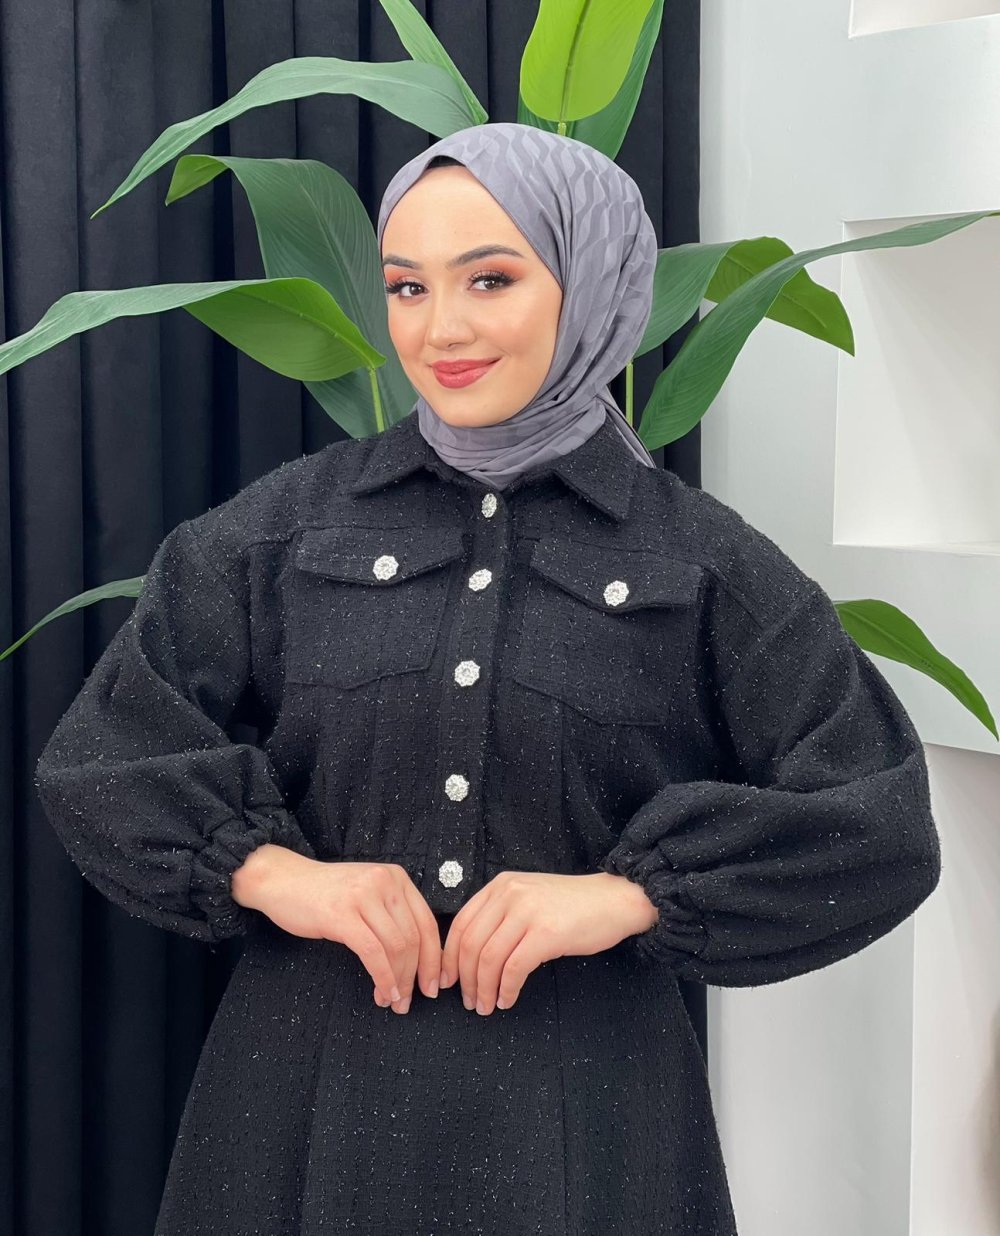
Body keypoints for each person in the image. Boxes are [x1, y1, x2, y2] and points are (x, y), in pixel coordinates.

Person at [33, 122, 942, 1235]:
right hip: (299, 1115)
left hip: (593, 1124)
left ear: (589, 284)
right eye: (407, 287)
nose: (441, 330)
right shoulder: (280, 530)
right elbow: (102, 759)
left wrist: (624, 895)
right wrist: (277, 875)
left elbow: (877, 820)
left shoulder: (702, 561)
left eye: (491, 279)